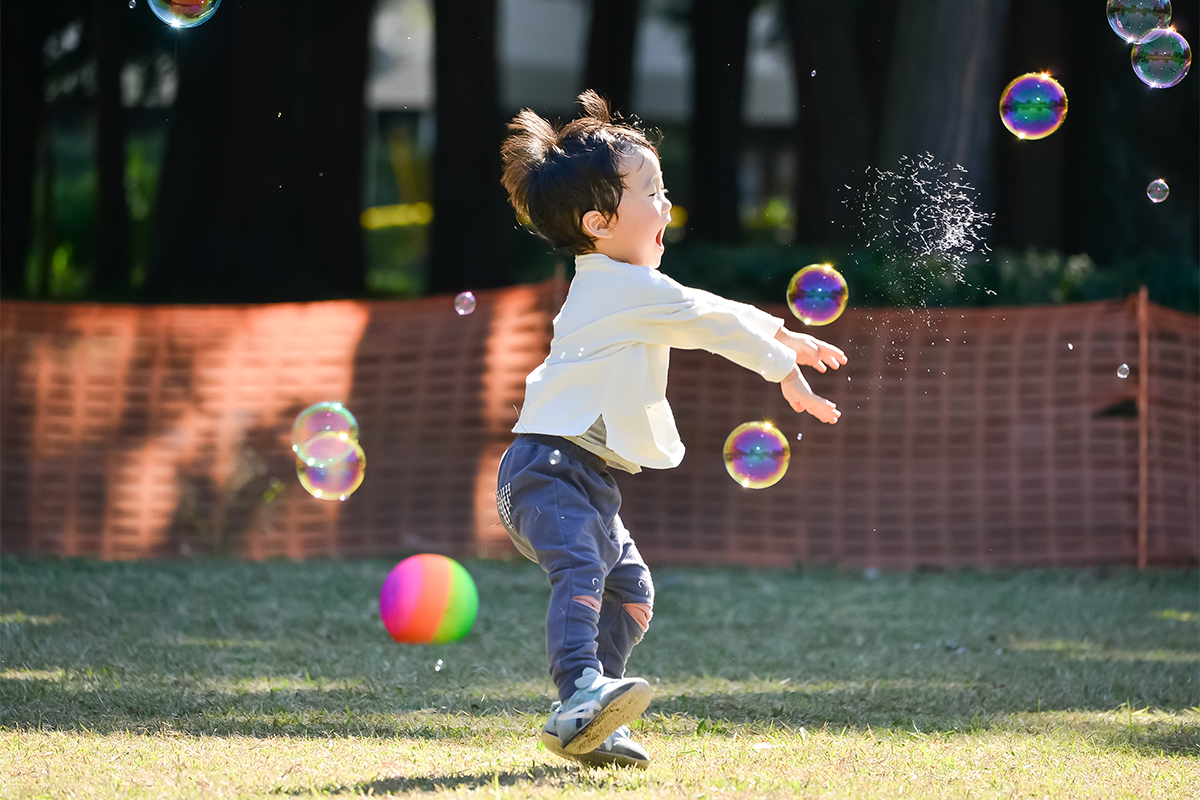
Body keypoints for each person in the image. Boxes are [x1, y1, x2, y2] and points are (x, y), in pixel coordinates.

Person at [494, 91, 847, 769]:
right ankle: (579, 693)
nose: (667, 205)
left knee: (631, 592)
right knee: (585, 569)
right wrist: (781, 363)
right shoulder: (614, 287)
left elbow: (705, 308)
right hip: (547, 469)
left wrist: (778, 336)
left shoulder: (627, 285)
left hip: (579, 474)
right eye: (652, 192)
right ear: (598, 221)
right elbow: (705, 319)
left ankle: (590, 719)